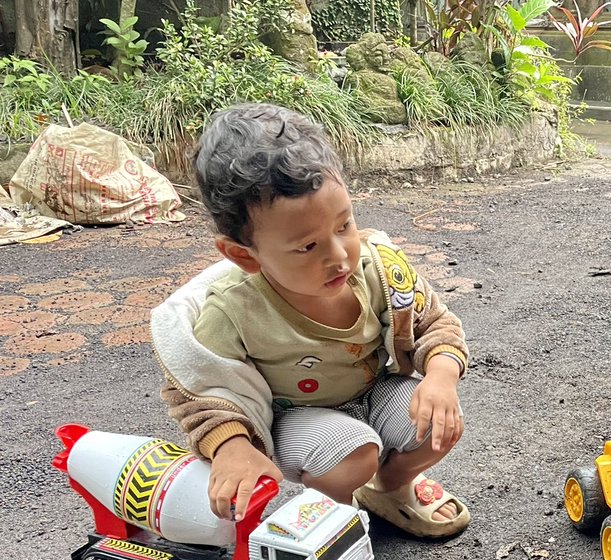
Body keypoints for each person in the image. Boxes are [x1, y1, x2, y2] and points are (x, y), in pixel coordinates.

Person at [150, 103, 471, 537]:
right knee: (354, 456)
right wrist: (231, 446)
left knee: (439, 422)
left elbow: (435, 322)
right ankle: (333, 515)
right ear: (244, 255)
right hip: (300, 419)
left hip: (373, 393)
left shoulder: (379, 270)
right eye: (307, 247)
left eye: (344, 226)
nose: (339, 256)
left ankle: (391, 488)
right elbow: (202, 388)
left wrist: (441, 375)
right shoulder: (232, 309)